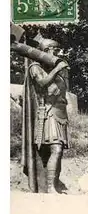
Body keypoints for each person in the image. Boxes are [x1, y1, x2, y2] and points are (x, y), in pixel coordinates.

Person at [22, 35, 69, 193]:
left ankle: (53, 185)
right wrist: (56, 69)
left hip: (60, 113)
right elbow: (42, 83)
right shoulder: (35, 68)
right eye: (52, 49)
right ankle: (49, 187)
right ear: (45, 51)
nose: (55, 52)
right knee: (56, 149)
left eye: (56, 49)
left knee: (59, 151)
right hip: (48, 113)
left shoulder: (54, 71)